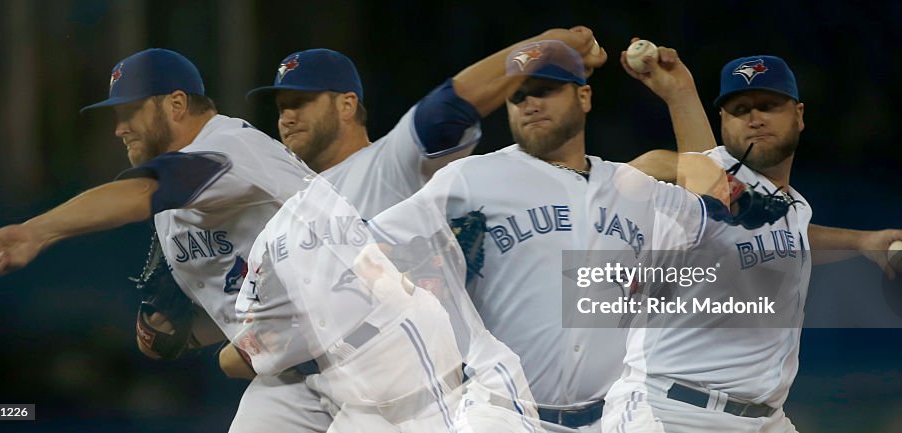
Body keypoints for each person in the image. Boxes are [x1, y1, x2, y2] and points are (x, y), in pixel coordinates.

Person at [217, 28, 610, 433]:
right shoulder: (290, 208)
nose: (287, 117)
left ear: (347, 105)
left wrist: (544, 45)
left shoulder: (389, 163)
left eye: (300, 102)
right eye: (282, 106)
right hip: (303, 374)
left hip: (398, 377)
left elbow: (450, 106)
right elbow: (249, 340)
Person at [369, 38, 770, 433]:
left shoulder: (631, 188)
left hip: (613, 415)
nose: (530, 103)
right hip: (502, 414)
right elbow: (371, 248)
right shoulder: (471, 178)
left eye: (545, 90)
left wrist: (679, 96)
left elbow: (715, 198)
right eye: (518, 95)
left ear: (584, 97)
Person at [0, 48, 325, 432]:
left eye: (129, 112)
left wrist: (38, 230)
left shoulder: (227, 147)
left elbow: (141, 193)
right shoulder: (177, 195)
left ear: (176, 104)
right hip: (295, 370)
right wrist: (186, 330)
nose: (119, 128)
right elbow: (238, 298)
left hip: (361, 344)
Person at [603, 55, 902, 433]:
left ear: (799, 115)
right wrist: (681, 107)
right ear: (723, 123)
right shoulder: (709, 181)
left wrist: (863, 242)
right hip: (673, 412)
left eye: (769, 106)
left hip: (767, 419)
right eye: (740, 110)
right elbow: (642, 169)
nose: (755, 118)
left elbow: (787, 238)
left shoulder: (791, 204)